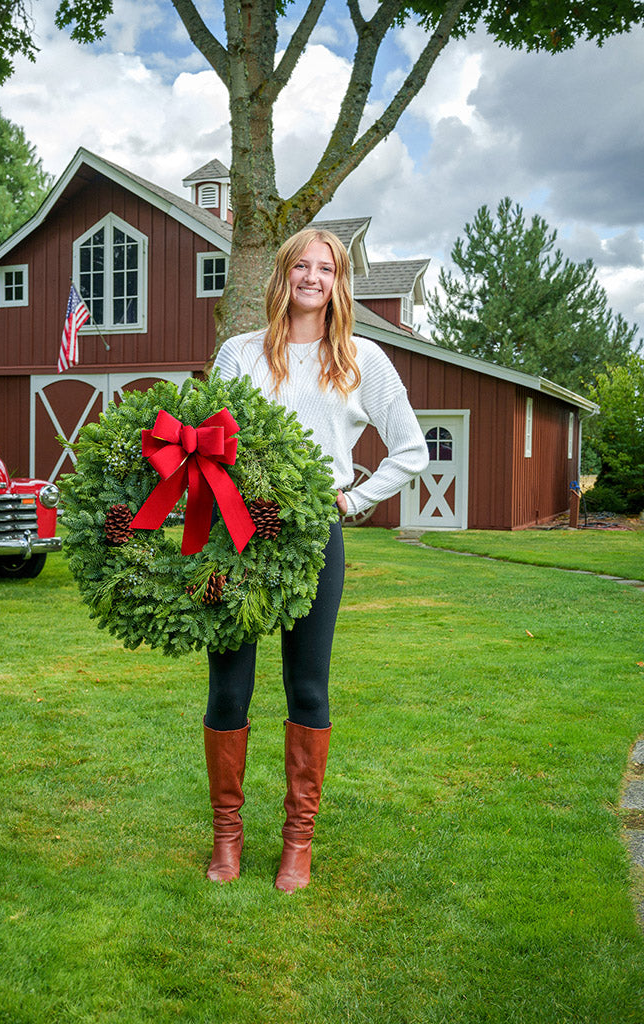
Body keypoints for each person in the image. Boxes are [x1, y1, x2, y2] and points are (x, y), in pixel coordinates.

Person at [204, 227, 429, 892]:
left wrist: (354, 501)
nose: (311, 278)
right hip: (236, 535)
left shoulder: (364, 358)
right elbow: (208, 439)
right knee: (229, 688)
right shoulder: (238, 354)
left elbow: (411, 450)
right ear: (282, 275)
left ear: (339, 282)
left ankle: (297, 844)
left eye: (324, 269)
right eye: (300, 265)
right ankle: (227, 839)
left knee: (308, 686)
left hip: (312, 539)